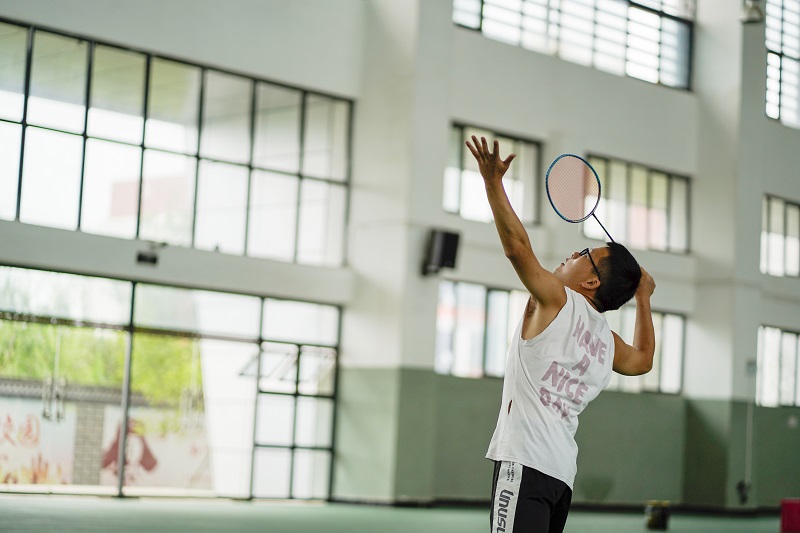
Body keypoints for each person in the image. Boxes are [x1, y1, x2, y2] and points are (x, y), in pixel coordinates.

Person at [465, 136, 656, 533]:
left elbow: (518, 250)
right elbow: (642, 361)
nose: (571, 254)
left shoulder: (557, 300)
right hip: (560, 476)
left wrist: (492, 184)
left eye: (583, 254)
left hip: (524, 461)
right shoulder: (605, 341)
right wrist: (643, 299)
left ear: (591, 281)